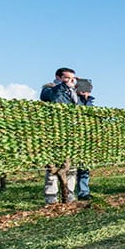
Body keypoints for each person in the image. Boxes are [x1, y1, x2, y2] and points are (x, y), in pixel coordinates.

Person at [40, 67, 80, 203]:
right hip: (55, 133)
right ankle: (51, 196)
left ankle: (69, 193)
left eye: (72, 78)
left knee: (71, 166)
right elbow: (52, 98)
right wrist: (63, 86)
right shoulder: (49, 88)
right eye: (66, 78)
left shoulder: (74, 92)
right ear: (58, 77)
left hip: (72, 133)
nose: (70, 81)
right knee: (53, 167)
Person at [75, 82, 96, 200]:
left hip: (86, 137)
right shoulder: (73, 99)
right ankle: (67, 193)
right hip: (74, 136)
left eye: (88, 89)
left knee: (84, 166)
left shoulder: (89, 102)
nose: (85, 91)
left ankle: (84, 192)